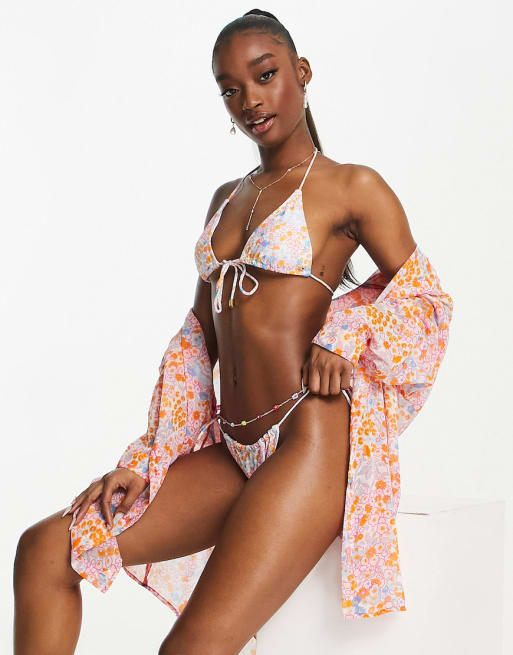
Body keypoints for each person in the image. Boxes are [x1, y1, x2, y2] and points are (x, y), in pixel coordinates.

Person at [13, 9, 453, 655]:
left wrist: (343, 333)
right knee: (45, 548)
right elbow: (199, 340)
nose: (249, 99)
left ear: (301, 72)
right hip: (234, 445)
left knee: (189, 649)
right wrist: (147, 459)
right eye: (229, 88)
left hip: (306, 437)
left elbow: (424, 298)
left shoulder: (351, 185)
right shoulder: (226, 197)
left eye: (265, 75)